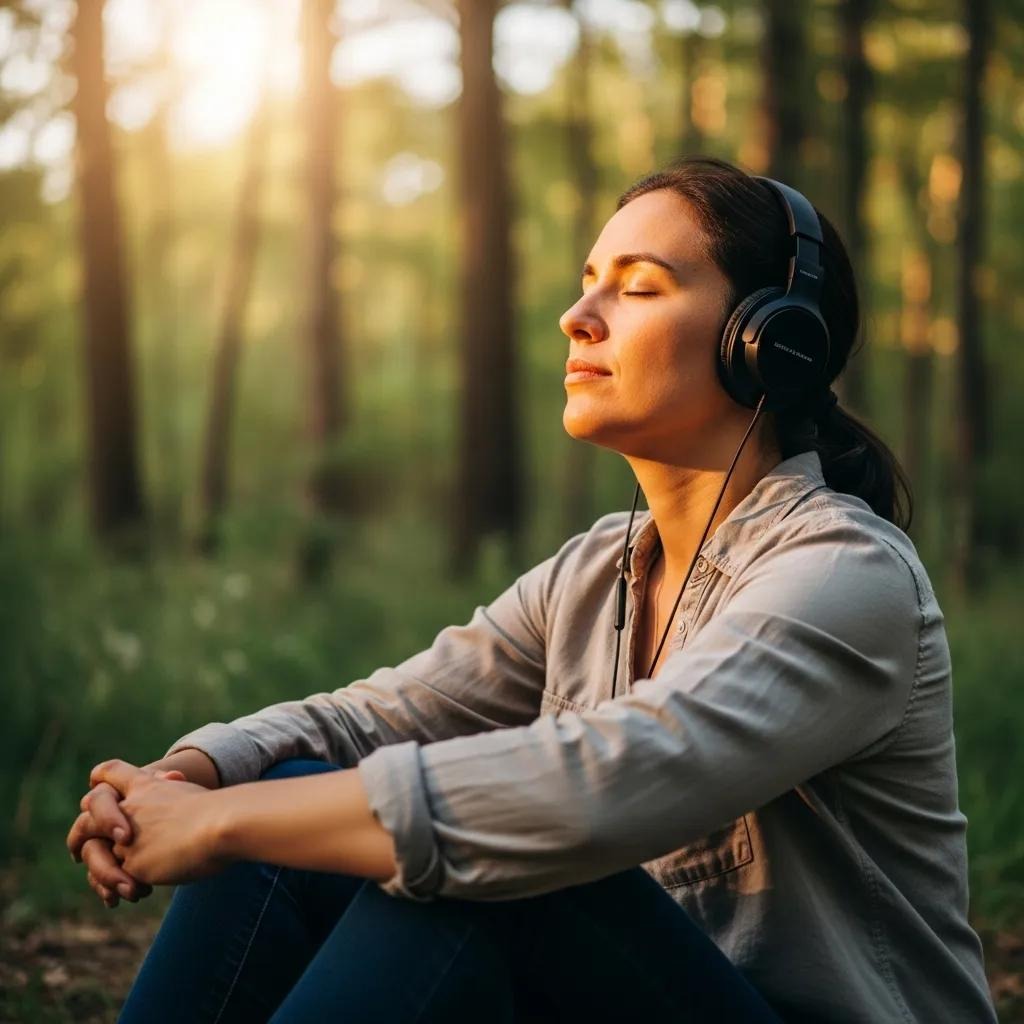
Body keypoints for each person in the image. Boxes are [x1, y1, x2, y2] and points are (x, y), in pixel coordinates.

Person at [67, 157, 996, 1023]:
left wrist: (220, 824)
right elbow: (380, 717)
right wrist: (190, 776)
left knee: (495, 870)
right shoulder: (595, 574)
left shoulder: (844, 573)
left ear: (769, 342)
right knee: (292, 800)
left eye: (637, 287)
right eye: (588, 279)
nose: (579, 314)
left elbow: (600, 783)